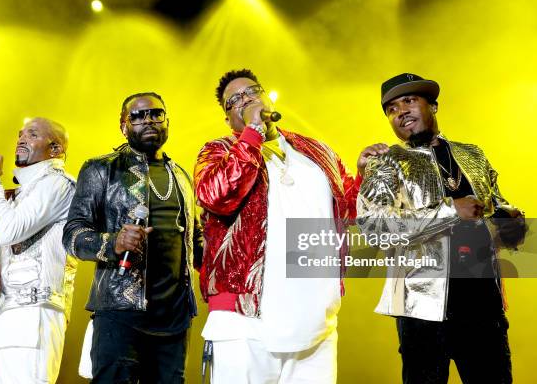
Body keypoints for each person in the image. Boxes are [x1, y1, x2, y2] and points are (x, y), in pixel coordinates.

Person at [194, 69, 383, 383]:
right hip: (244, 322)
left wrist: (365, 176)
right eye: (234, 100)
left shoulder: (317, 152)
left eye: (252, 91)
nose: (246, 99)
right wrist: (251, 135)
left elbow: (348, 214)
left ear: (267, 96)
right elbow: (216, 196)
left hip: (316, 322)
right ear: (228, 119)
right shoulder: (219, 151)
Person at [357, 73, 526, 383]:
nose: (401, 112)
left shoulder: (472, 154)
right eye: (392, 109)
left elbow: (496, 202)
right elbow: (374, 225)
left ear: (433, 105)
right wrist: (451, 211)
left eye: (409, 101)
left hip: (482, 301)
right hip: (422, 309)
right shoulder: (387, 161)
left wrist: (510, 221)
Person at [63, 92, 203, 383]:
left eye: (156, 113)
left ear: (167, 121)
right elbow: (73, 235)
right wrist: (113, 242)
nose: (148, 120)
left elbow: (196, 242)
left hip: (174, 319)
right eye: (137, 116)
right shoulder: (100, 169)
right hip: (120, 313)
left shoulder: (181, 176)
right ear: (123, 125)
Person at [0, 117, 77, 383]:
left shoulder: (58, 183)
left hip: (34, 315)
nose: (21, 139)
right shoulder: (18, 194)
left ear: (55, 149)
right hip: (5, 321)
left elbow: (10, 230)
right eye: (20, 134)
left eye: (32, 134)